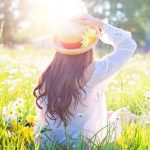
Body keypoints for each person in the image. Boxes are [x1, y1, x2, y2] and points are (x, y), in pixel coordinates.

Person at [33, 15, 137, 149]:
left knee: (109, 114)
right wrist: (100, 24)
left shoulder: (46, 74)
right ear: (88, 47)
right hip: (86, 144)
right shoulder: (94, 71)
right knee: (123, 114)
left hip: (50, 143)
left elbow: (42, 119)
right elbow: (128, 45)